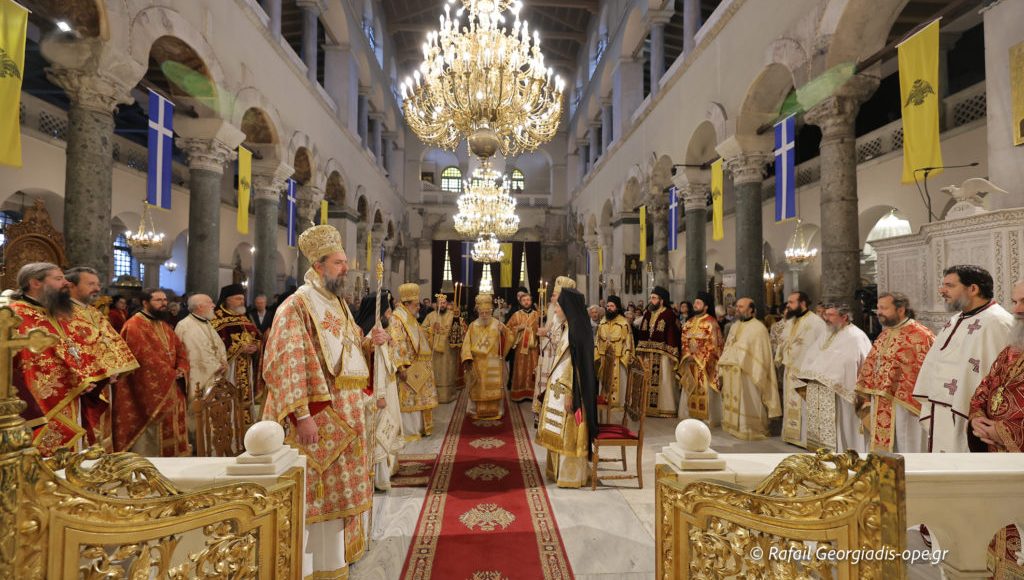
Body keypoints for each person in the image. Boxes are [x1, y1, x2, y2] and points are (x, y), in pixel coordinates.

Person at [261, 225, 384, 574]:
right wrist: (302, 414)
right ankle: (309, 566)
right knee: (317, 494)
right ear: (318, 265)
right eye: (339, 263)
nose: (346, 269)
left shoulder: (339, 303)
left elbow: (346, 354)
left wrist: (369, 343)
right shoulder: (296, 305)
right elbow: (287, 361)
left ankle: (336, 562)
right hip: (319, 415)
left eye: (345, 262)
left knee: (341, 494)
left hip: (346, 414)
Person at [10, 263, 111, 456]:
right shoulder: (15, 315)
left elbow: (76, 349)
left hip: (75, 395)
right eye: (58, 279)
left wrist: (89, 377)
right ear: (35, 283)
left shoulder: (58, 311)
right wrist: (73, 380)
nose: (66, 283)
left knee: (73, 456)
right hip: (37, 403)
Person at [913, 265, 1014, 453]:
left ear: (973, 289)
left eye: (949, 285)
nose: (942, 291)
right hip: (942, 411)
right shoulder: (955, 319)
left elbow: (1006, 379)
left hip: (971, 418)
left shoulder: (998, 322)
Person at [968, 280, 1024, 578]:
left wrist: (1002, 431)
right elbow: (986, 387)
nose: (1017, 310)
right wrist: (977, 417)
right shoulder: (1010, 350)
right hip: (998, 456)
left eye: (1023, 302)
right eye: (1015, 302)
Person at [65, 266, 140, 451]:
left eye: (97, 284)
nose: (97, 289)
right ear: (71, 285)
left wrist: (116, 368)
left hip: (105, 382)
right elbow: (70, 348)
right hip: (84, 385)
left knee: (103, 432)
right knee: (86, 431)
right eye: (90, 284)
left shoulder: (93, 311)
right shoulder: (63, 312)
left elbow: (112, 341)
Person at [114, 288, 190, 457]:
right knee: (154, 433)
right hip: (148, 391)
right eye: (158, 300)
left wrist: (181, 368)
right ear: (145, 303)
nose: (164, 303)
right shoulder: (134, 325)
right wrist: (170, 373)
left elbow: (180, 350)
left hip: (172, 384)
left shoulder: (164, 325)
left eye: (165, 300)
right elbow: (144, 359)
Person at [855, 293, 934, 452]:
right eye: (878, 307)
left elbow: (927, 373)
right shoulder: (885, 333)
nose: (879, 312)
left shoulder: (921, 335)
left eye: (884, 308)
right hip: (881, 403)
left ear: (900, 310)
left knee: (906, 443)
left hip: (906, 407)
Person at [536, 287, 598, 488]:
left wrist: (572, 393)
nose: (555, 311)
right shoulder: (569, 326)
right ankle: (556, 471)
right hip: (560, 386)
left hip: (569, 389)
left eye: (559, 307)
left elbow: (578, 367)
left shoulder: (578, 329)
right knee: (556, 429)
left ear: (568, 308)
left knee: (568, 428)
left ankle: (570, 476)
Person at [795, 303, 872, 452]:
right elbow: (813, 355)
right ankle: (823, 458)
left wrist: (830, 378)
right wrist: (811, 375)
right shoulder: (827, 333)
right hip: (820, 390)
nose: (826, 318)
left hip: (842, 394)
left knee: (842, 429)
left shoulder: (856, 336)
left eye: (830, 315)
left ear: (844, 317)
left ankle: (845, 455)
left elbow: (852, 363)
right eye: (825, 314)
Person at [355, 290, 404, 491]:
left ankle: (388, 469)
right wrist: (380, 396)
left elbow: (393, 359)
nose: (390, 313)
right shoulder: (368, 335)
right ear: (380, 312)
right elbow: (375, 367)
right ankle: (378, 477)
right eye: (388, 309)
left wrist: (390, 343)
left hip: (388, 388)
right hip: (376, 391)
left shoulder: (382, 332)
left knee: (387, 428)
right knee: (378, 432)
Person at [717, 298, 781, 440]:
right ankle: (733, 426)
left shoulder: (759, 328)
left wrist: (743, 360)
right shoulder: (734, 326)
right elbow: (728, 346)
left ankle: (750, 427)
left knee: (749, 400)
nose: (737, 309)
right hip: (732, 372)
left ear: (751, 310)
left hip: (750, 372)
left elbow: (761, 355)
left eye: (741, 307)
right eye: (737, 306)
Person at [775, 291, 827, 448]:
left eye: (791, 302)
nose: (788, 305)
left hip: (805, 371)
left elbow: (822, 347)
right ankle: (791, 436)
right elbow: (783, 340)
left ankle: (805, 439)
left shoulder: (816, 322)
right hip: (790, 369)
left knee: (804, 405)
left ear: (802, 303)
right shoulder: (791, 321)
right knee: (790, 402)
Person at [174, 294, 228, 444]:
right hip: (198, 380)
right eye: (210, 303)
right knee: (199, 414)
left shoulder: (207, 323)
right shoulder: (184, 326)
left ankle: (215, 444)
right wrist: (215, 366)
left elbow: (217, 347)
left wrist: (223, 362)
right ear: (199, 307)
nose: (214, 306)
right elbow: (187, 354)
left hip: (215, 378)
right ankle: (200, 445)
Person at [389, 283, 439, 439]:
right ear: (406, 304)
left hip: (419, 368)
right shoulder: (398, 318)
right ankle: (411, 431)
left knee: (419, 400)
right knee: (410, 401)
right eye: (416, 305)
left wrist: (431, 331)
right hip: (409, 369)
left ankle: (421, 428)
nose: (419, 308)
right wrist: (401, 366)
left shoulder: (409, 317)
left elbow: (420, 336)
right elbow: (397, 342)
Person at [212, 284, 263, 422]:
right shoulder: (216, 317)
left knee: (245, 394)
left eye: (243, 298)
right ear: (227, 300)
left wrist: (256, 346)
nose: (242, 301)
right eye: (238, 298)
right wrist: (239, 348)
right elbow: (215, 342)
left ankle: (244, 424)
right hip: (229, 366)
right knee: (231, 393)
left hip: (246, 364)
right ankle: (230, 424)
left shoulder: (242, 317)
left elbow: (256, 335)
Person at [461, 294, 513, 419]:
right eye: (482, 312)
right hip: (478, 363)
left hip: (493, 362)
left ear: (491, 311)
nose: (484, 315)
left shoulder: (498, 323)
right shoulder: (473, 325)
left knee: (493, 388)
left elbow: (510, 337)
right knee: (478, 388)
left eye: (487, 312)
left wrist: (504, 332)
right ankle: (475, 410)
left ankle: (496, 410)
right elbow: (466, 343)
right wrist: (467, 358)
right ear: (478, 311)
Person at [637, 286, 683, 417]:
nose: (651, 300)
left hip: (663, 356)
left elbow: (673, 336)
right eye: (651, 298)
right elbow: (642, 333)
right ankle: (646, 408)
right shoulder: (647, 313)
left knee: (664, 381)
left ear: (662, 300)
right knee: (647, 380)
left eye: (654, 298)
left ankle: (665, 408)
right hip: (648, 355)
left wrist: (670, 352)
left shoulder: (669, 315)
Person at [678, 291, 723, 423]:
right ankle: (689, 415)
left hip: (704, 365)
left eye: (699, 303)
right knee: (689, 389)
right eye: (695, 302)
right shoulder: (689, 322)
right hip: (689, 363)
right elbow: (683, 341)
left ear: (706, 306)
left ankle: (708, 418)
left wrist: (698, 357)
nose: (695, 305)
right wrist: (687, 355)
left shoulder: (711, 323)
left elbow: (714, 346)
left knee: (704, 390)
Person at [535, 276, 575, 416]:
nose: (553, 300)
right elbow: (552, 333)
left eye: (555, 296)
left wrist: (547, 334)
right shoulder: (556, 316)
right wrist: (545, 333)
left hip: (560, 363)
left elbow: (563, 343)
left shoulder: (568, 320)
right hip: (549, 356)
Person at [421, 293, 464, 404]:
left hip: (449, 350)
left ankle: (450, 394)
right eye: (440, 303)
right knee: (436, 373)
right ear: (436, 304)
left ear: (447, 303)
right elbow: (422, 331)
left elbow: (461, 328)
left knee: (449, 371)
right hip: (435, 351)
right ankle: (435, 395)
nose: (442, 305)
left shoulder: (453, 315)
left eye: (444, 303)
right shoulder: (430, 316)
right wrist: (432, 329)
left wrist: (456, 324)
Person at [594, 295, 634, 414]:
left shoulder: (624, 323)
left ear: (617, 308)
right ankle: (605, 402)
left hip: (618, 358)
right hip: (604, 357)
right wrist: (596, 355)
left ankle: (620, 405)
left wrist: (625, 359)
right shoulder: (602, 321)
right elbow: (597, 340)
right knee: (604, 382)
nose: (609, 308)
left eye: (612, 306)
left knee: (619, 384)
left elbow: (628, 342)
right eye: (608, 306)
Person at [505, 290, 542, 402]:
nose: (526, 302)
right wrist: (518, 328)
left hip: (533, 347)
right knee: (520, 368)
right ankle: (519, 393)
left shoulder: (537, 315)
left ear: (531, 301)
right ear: (520, 302)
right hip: (521, 348)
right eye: (524, 300)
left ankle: (533, 393)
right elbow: (508, 329)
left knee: (533, 368)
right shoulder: (516, 315)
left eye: (528, 300)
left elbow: (542, 329)